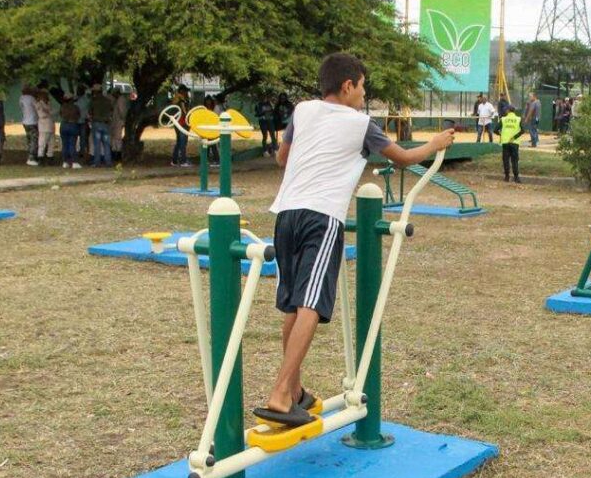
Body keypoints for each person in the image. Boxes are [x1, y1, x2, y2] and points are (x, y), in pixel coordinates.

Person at [254, 52, 455, 428]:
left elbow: (283, 158)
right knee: (311, 303)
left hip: (285, 214)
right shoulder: (360, 123)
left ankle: (294, 391)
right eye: (363, 88)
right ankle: (281, 395)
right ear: (347, 86)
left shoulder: (302, 111)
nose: (364, 96)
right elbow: (405, 159)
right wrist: (437, 143)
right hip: (322, 216)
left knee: (293, 307)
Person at [496, 106, 525, 183]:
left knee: (506, 160)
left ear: (508, 111)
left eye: (506, 110)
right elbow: (523, 131)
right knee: (514, 160)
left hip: (505, 142)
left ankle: (506, 177)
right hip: (514, 143)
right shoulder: (518, 119)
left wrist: (501, 134)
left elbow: (495, 130)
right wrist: (515, 137)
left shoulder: (503, 119)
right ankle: (516, 178)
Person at [90, 83, 115, 167]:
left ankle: (97, 162)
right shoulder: (108, 101)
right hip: (106, 124)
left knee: (97, 144)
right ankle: (108, 162)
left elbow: (90, 112)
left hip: (96, 123)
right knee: (106, 144)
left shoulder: (93, 101)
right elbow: (112, 111)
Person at [59, 93, 83, 169]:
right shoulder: (75, 107)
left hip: (63, 125)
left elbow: (61, 114)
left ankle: (65, 162)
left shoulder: (62, 107)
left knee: (64, 144)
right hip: (73, 125)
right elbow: (79, 116)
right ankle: (74, 162)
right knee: (72, 144)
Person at [169, 84, 190, 167]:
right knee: (182, 142)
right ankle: (183, 161)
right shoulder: (181, 99)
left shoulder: (178, 98)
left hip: (178, 122)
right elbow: (185, 111)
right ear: (181, 91)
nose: (186, 93)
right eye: (185, 91)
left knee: (179, 141)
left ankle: (174, 160)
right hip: (181, 122)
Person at [20, 85, 40, 166]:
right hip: (32, 121)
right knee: (34, 139)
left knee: (29, 139)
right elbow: (37, 107)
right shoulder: (31, 98)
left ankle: (30, 155)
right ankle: (32, 158)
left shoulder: (21, 98)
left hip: (25, 121)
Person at [34, 88, 55, 165]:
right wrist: (49, 113)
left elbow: (51, 112)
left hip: (51, 124)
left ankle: (50, 158)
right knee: (42, 143)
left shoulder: (48, 103)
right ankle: (41, 158)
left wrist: (49, 113)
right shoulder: (39, 104)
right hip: (43, 125)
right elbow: (42, 114)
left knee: (51, 143)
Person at [110, 87, 128, 163]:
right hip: (116, 122)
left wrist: (122, 120)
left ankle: (118, 155)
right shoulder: (118, 100)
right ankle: (115, 154)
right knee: (115, 139)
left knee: (117, 139)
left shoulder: (121, 100)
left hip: (119, 122)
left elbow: (122, 112)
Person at [75, 85, 91, 162]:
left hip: (79, 121)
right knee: (83, 138)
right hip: (83, 121)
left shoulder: (76, 100)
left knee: (79, 138)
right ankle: (83, 152)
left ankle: (81, 152)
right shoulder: (87, 100)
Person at [203, 94, 220, 165]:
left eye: (209, 101)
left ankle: (217, 160)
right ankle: (206, 160)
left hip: (213, 129)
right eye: (207, 101)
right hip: (206, 129)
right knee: (206, 145)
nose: (208, 102)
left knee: (213, 145)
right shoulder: (203, 109)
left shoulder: (215, 108)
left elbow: (216, 117)